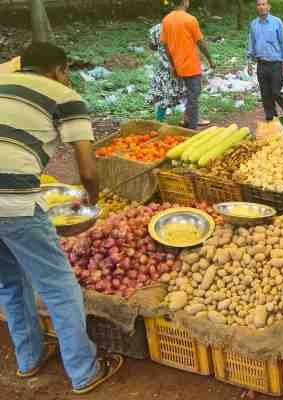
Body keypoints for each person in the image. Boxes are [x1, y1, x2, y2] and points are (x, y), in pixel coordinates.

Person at [0, 42, 123, 394]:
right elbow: (87, 167)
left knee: (9, 282)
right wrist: (92, 201)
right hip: (14, 202)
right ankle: (84, 370)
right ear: (58, 70)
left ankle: (29, 359)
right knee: (59, 287)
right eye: (66, 71)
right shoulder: (63, 94)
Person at [161, 0, 216, 129]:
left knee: (188, 95)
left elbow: (166, 46)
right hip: (191, 65)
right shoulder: (190, 19)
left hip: (178, 66)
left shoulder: (166, 20)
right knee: (194, 96)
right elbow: (201, 43)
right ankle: (192, 128)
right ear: (185, 1)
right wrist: (210, 60)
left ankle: (186, 120)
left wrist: (173, 65)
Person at [247, 0, 283, 122]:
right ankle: (271, 117)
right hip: (261, 64)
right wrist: (249, 62)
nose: (261, 7)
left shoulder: (276, 22)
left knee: (276, 92)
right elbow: (252, 42)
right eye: (259, 4)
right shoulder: (253, 24)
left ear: (269, 7)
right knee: (265, 94)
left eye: (264, 4)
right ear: (256, 7)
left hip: (275, 64)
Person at [146, 23, 187, 122]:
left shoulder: (156, 28)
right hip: (178, 65)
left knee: (163, 93)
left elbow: (152, 46)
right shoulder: (179, 26)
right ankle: (189, 119)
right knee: (185, 91)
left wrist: (161, 48)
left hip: (163, 66)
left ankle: (160, 120)